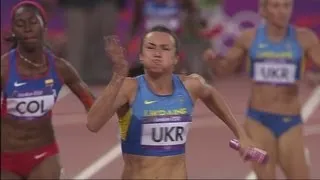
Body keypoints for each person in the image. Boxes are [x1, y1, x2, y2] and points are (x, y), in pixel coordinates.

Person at [87, 25, 256, 179]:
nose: (157, 54)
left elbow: (211, 95)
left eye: (165, 49)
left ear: (175, 58)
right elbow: (93, 124)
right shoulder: (129, 88)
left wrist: (241, 135)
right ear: (141, 56)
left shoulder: (191, 86)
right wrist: (118, 76)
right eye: (150, 48)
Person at [203, 0, 320, 179]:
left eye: (286, 6)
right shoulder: (249, 38)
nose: (282, 11)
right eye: (276, 6)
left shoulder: (304, 38)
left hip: (290, 122)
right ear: (263, 10)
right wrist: (214, 62)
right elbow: (223, 70)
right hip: (258, 121)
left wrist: (314, 78)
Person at [1, 1, 95, 179]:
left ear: (44, 25)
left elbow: (93, 106)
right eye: (20, 24)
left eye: (33, 22)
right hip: (6, 159)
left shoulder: (60, 68)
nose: (27, 28)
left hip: (43, 156)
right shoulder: (4, 69)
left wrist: (125, 120)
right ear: (13, 30)